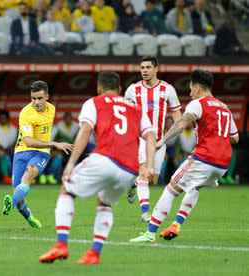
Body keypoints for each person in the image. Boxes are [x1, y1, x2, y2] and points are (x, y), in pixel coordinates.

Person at [39, 72, 156, 264]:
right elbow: (150, 136)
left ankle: (61, 244)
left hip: (104, 158)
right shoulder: (136, 109)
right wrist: (149, 165)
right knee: (104, 203)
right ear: (120, 90)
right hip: (129, 169)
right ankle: (94, 253)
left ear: (99, 89)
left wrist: (70, 163)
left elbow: (85, 131)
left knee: (66, 191)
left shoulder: (94, 102)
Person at [129, 70, 239, 243]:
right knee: (195, 187)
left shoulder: (198, 103)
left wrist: (162, 140)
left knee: (170, 190)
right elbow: (235, 137)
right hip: (222, 164)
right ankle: (176, 225)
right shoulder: (224, 108)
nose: (189, 92)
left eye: (190, 88)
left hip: (204, 157)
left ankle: (150, 234)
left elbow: (181, 124)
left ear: (197, 87)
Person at [2, 81, 73, 228]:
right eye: (33, 98)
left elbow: (43, 133)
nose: (36, 102)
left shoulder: (51, 109)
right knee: (20, 195)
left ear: (47, 97)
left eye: (39, 98)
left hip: (41, 152)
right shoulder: (26, 113)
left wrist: (49, 145)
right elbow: (28, 141)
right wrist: (54, 144)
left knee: (28, 176)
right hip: (22, 151)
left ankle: (10, 203)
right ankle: (28, 216)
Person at [124, 56, 182, 223]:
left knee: (153, 179)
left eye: (148, 67)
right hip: (141, 138)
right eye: (142, 67)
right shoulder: (132, 90)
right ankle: (145, 213)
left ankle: (133, 184)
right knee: (144, 172)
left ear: (156, 69)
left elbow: (177, 114)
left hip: (159, 140)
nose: (144, 70)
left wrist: (170, 134)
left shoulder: (167, 89)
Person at [40, 112, 78, 185]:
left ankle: (52, 176)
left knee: (59, 156)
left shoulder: (55, 128)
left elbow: (66, 138)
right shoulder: (37, 126)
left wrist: (73, 144)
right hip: (38, 148)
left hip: (51, 148)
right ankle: (41, 175)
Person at [0, 110, 18, 184]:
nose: (3, 120)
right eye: (1, 118)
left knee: (18, 156)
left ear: (7, 119)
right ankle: (9, 176)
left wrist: (11, 146)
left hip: (11, 149)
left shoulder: (14, 129)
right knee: (6, 158)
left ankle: (18, 176)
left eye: (4, 118)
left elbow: (17, 140)